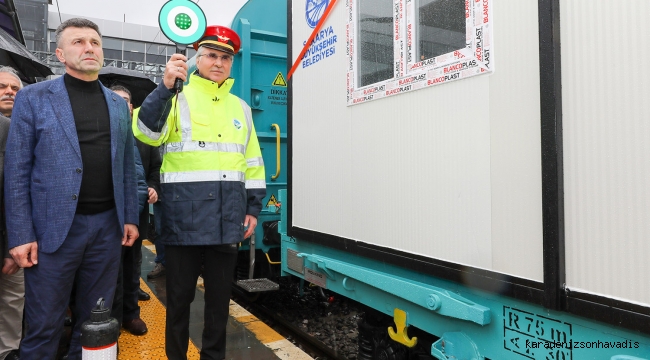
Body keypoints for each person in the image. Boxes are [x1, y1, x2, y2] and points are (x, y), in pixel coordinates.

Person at [5, 18, 139, 359]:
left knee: (95, 321)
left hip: (107, 229)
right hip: (53, 231)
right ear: (60, 53)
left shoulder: (116, 105)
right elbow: (17, 170)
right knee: (44, 322)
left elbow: (126, 164)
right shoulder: (34, 98)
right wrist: (19, 235)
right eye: (79, 42)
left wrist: (131, 217)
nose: (89, 47)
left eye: (94, 42)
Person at [134, 25, 266, 359]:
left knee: (219, 304)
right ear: (197, 59)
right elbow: (146, 132)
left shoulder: (241, 109)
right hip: (183, 222)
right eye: (211, 55)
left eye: (225, 57)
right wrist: (163, 88)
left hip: (227, 220)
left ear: (231, 63)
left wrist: (252, 209)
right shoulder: (175, 98)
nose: (218, 62)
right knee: (179, 302)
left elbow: (253, 163)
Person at [109, 85, 160, 336]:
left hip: (135, 212)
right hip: (106, 213)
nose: (120, 105)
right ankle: (108, 316)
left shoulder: (144, 137)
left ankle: (130, 314)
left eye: (126, 101)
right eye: (114, 99)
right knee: (106, 268)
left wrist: (152, 187)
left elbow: (154, 170)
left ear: (131, 107)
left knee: (130, 266)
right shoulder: (98, 131)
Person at [0, 66, 22, 360]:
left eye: (15, 88)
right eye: (2, 86)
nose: (8, 92)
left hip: (15, 237)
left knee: (13, 299)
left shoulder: (23, 127)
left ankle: (9, 352)